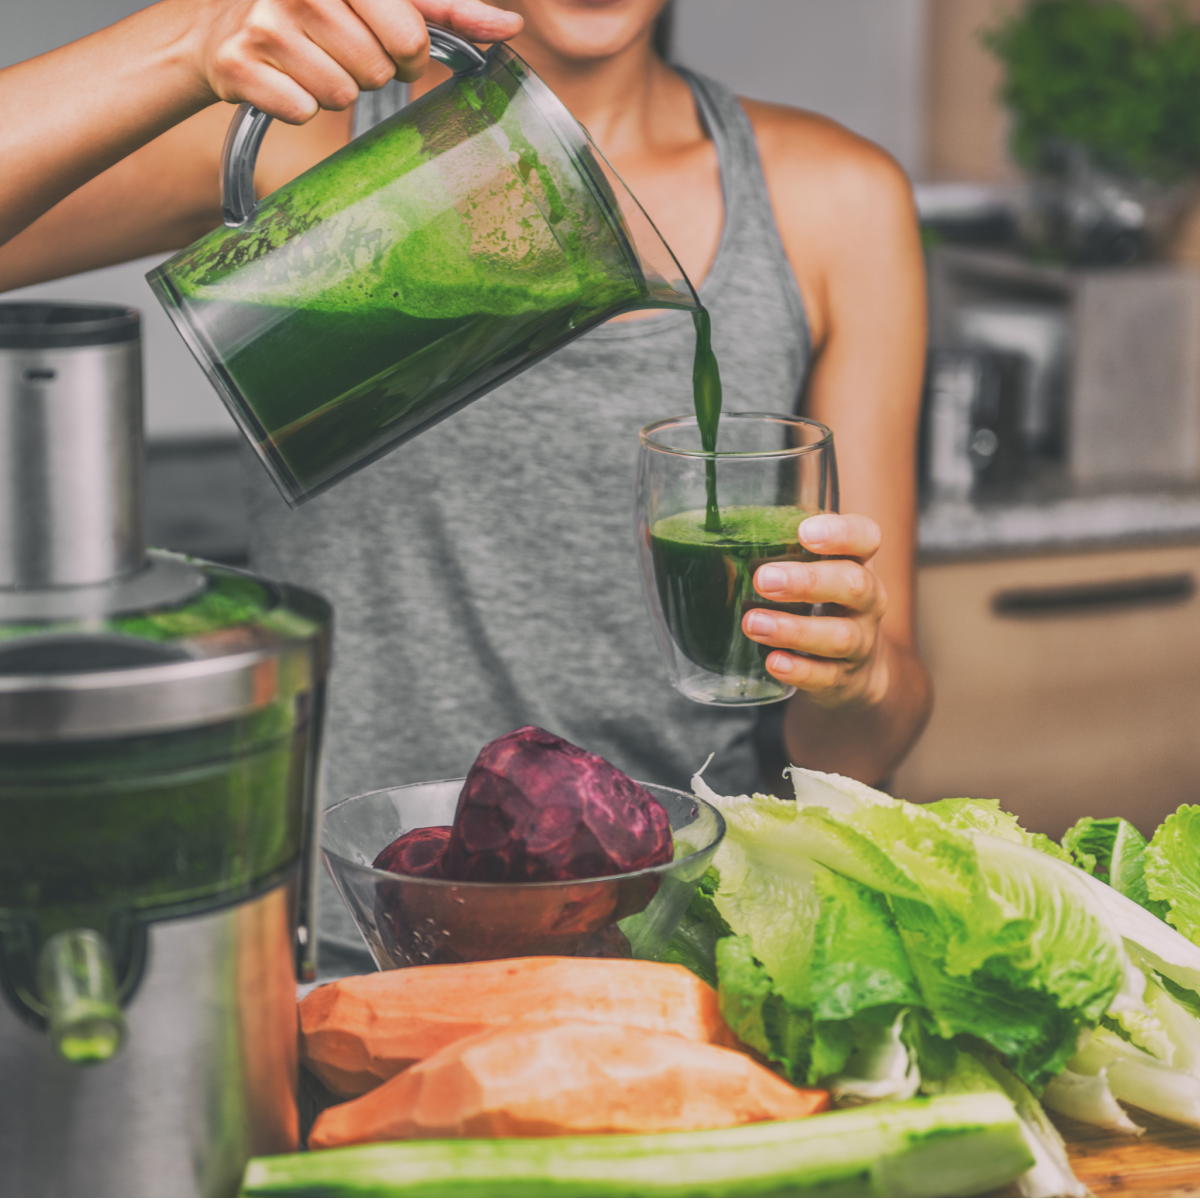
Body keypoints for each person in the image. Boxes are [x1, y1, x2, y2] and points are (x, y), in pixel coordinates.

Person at [0, 0, 932, 972]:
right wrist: (191, 38)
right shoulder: (301, 142)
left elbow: (867, 749)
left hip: (676, 969)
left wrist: (855, 675)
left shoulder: (834, 204)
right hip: (340, 959)